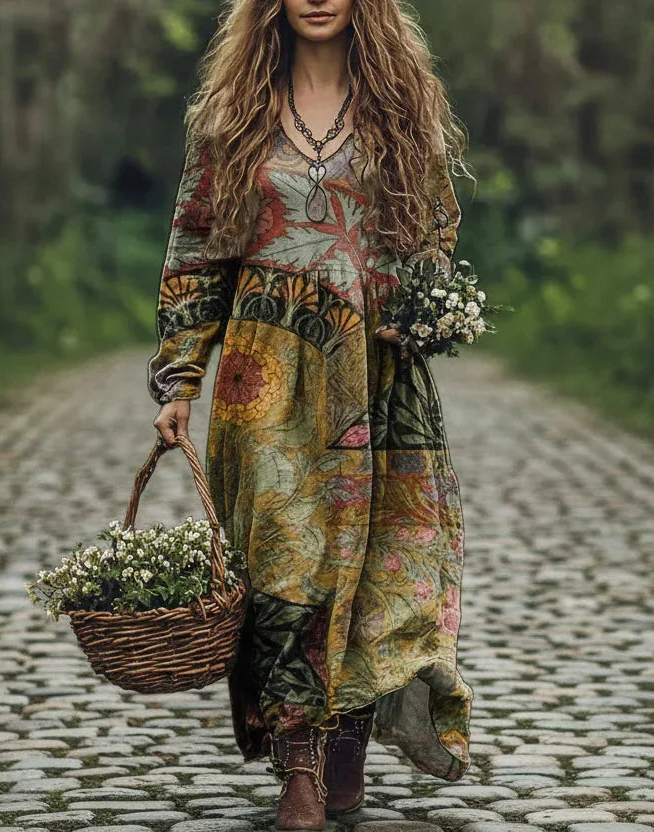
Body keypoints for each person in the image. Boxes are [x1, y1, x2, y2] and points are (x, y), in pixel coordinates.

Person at [146, 1, 473, 828]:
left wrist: (425, 308)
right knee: (283, 566)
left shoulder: (402, 106)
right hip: (265, 379)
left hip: (376, 375)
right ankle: (297, 763)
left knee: (370, 566)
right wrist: (181, 381)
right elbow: (196, 249)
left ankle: (346, 743)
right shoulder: (232, 116)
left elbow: (436, 233)